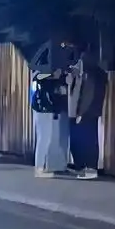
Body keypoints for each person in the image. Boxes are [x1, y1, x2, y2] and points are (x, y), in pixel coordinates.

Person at [29, 41, 76, 177]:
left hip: (47, 108)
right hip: (42, 108)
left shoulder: (49, 73)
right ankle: (39, 168)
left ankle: (45, 166)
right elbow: (40, 77)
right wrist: (53, 75)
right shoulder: (41, 73)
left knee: (47, 138)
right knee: (44, 138)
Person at [68, 48, 107, 180]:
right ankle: (88, 168)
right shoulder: (100, 73)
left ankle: (86, 168)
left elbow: (87, 95)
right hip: (94, 111)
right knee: (90, 141)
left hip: (86, 112)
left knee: (83, 141)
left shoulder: (89, 74)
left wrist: (80, 113)